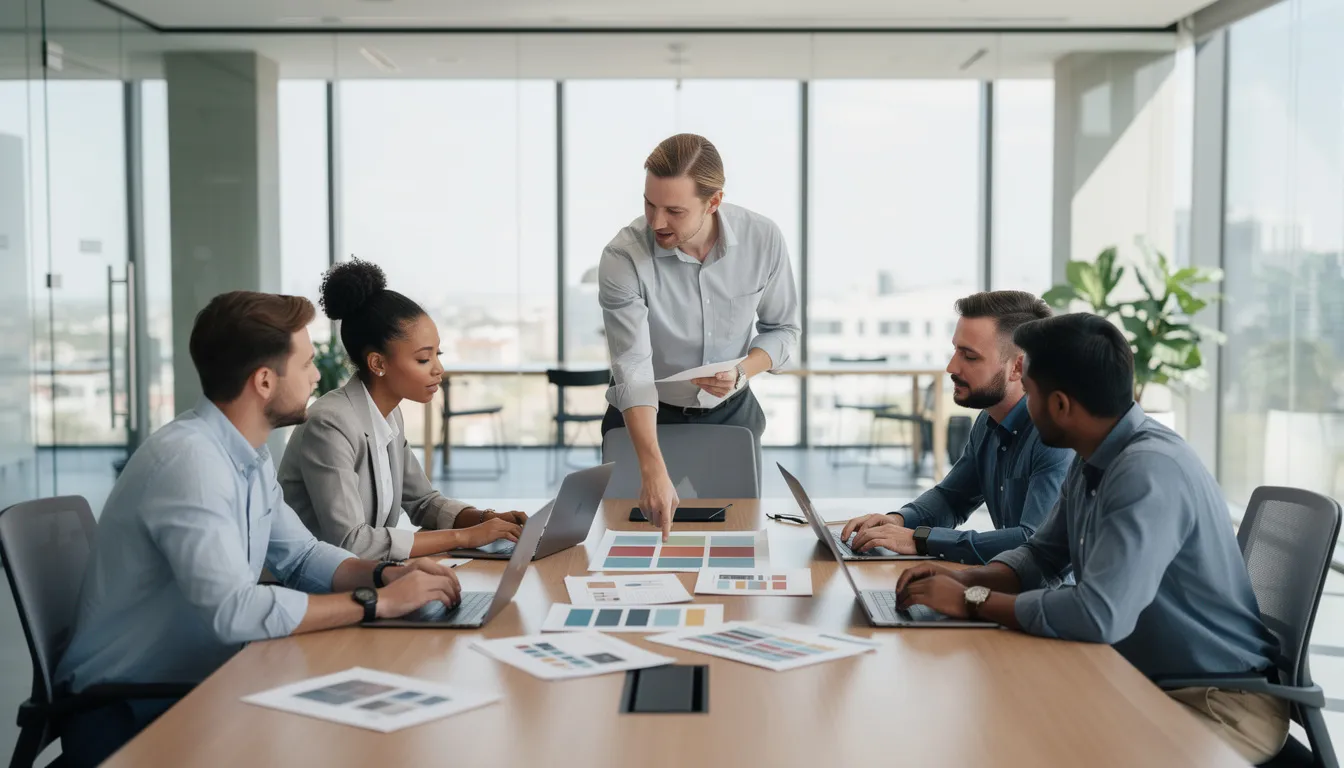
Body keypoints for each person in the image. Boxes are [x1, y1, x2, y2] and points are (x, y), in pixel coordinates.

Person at [54, 291, 463, 767]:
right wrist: (378, 604)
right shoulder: (190, 464)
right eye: (307, 364)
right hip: (130, 709)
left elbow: (302, 556)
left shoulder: (247, 457)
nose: (317, 376)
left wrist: (381, 577)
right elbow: (233, 611)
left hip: (205, 680)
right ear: (265, 381)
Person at [895, 313, 1288, 764]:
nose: (1024, 401)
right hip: (1139, 678)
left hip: (1215, 703)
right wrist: (963, 579)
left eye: (1032, 391)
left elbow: (1099, 613)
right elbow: (1043, 554)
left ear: (1060, 405)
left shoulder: (1147, 470)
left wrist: (973, 600)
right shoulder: (1095, 453)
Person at [599, 133, 800, 540]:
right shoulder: (623, 257)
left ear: (714, 202)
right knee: (626, 544)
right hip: (644, 420)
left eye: (674, 210)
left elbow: (784, 330)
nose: (656, 222)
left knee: (737, 541)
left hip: (731, 415)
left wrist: (742, 371)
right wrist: (652, 468)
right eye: (649, 204)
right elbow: (633, 368)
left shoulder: (763, 240)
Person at [279, 259, 526, 561]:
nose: (439, 369)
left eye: (438, 354)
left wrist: (485, 519)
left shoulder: (387, 416)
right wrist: (464, 536)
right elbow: (351, 542)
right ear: (378, 363)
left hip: (366, 578)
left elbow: (422, 501)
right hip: (311, 587)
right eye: (424, 359)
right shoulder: (330, 423)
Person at [840, 291, 1073, 564]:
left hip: (1054, 599)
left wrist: (921, 540)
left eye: (970, 357)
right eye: (955, 350)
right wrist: (897, 521)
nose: (952, 366)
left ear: (1017, 367)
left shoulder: (1056, 436)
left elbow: (1032, 541)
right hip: (1013, 586)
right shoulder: (988, 421)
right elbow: (952, 499)